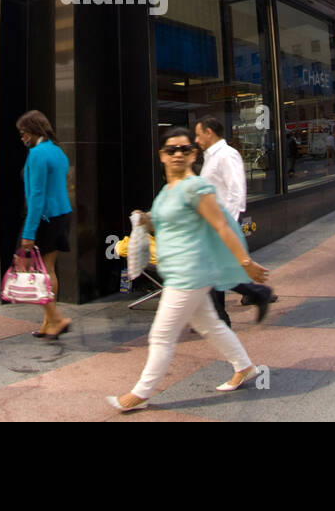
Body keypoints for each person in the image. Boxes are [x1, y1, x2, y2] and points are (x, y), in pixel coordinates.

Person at [107, 126, 269, 412]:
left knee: (160, 336)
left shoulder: (196, 187)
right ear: (162, 156)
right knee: (211, 325)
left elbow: (220, 225)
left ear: (194, 154)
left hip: (189, 273)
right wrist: (146, 220)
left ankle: (140, 393)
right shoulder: (169, 189)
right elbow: (167, 224)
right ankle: (244, 366)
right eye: (172, 150)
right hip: (179, 271)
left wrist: (246, 263)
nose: (178, 154)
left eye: (185, 149)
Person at [195, 116, 276, 325]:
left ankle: (224, 315)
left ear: (209, 132)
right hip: (213, 224)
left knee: (211, 270)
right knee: (215, 270)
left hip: (221, 224)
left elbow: (236, 192)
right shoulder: (211, 156)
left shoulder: (226, 155)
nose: (196, 139)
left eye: (198, 134)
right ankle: (251, 297)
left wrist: (226, 225)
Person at [16, 110, 72, 339]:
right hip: (62, 214)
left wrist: (28, 233)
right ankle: (48, 323)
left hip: (43, 218)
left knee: (26, 267)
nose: (21, 138)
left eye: (22, 133)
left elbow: (37, 196)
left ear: (31, 131)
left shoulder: (37, 154)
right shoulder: (58, 151)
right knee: (48, 270)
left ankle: (56, 318)